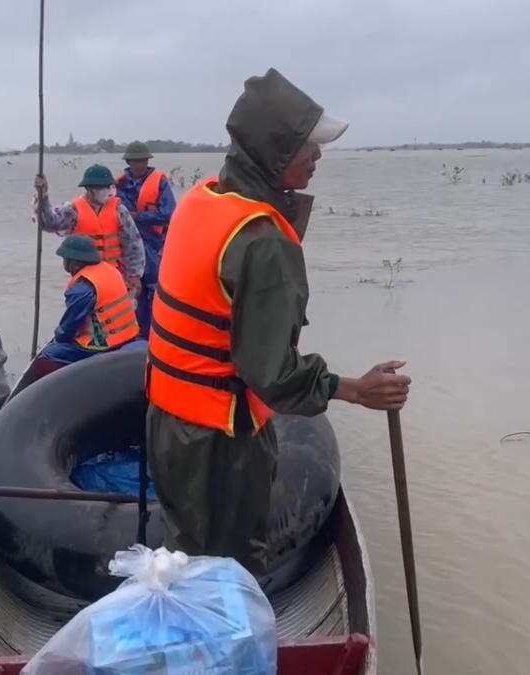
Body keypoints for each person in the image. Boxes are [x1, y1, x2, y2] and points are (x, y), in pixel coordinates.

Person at [144, 68, 411, 575]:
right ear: (274, 155)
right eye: (306, 147)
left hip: (169, 420)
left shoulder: (204, 199)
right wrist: (354, 389)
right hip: (219, 443)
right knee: (229, 570)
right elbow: (269, 373)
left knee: (190, 555)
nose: (317, 157)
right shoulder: (264, 242)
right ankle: (224, 651)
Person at [34, 164, 145, 298]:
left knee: (117, 313)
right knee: (86, 316)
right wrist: (43, 195)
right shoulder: (74, 210)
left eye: (108, 186)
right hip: (85, 279)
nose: (107, 191)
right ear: (90, 190)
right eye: (102, 188)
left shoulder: (119, 210)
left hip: (116, 276)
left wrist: (134, 275)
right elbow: (49, 223)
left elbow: (133, 243)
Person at [37, 235, 143, 368]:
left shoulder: (83, 287)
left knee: (49, 354)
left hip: (105, 346)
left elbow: (68, 329)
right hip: (129, 336)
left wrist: (59, 336)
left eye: (65, 260)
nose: (64, 264)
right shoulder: (110, 270)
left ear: (75, 263)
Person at [115, 141, 177, 337]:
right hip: (128, 246)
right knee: (129, 289)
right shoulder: (120, 185)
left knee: (154, 290)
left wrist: (139, 217)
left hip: (153, 244)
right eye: (135, 161)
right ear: (129, 162)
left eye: (142, 161)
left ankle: (152, 334)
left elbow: (169, 213)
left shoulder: (160, 182)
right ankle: (131, 334)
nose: (139, 165)